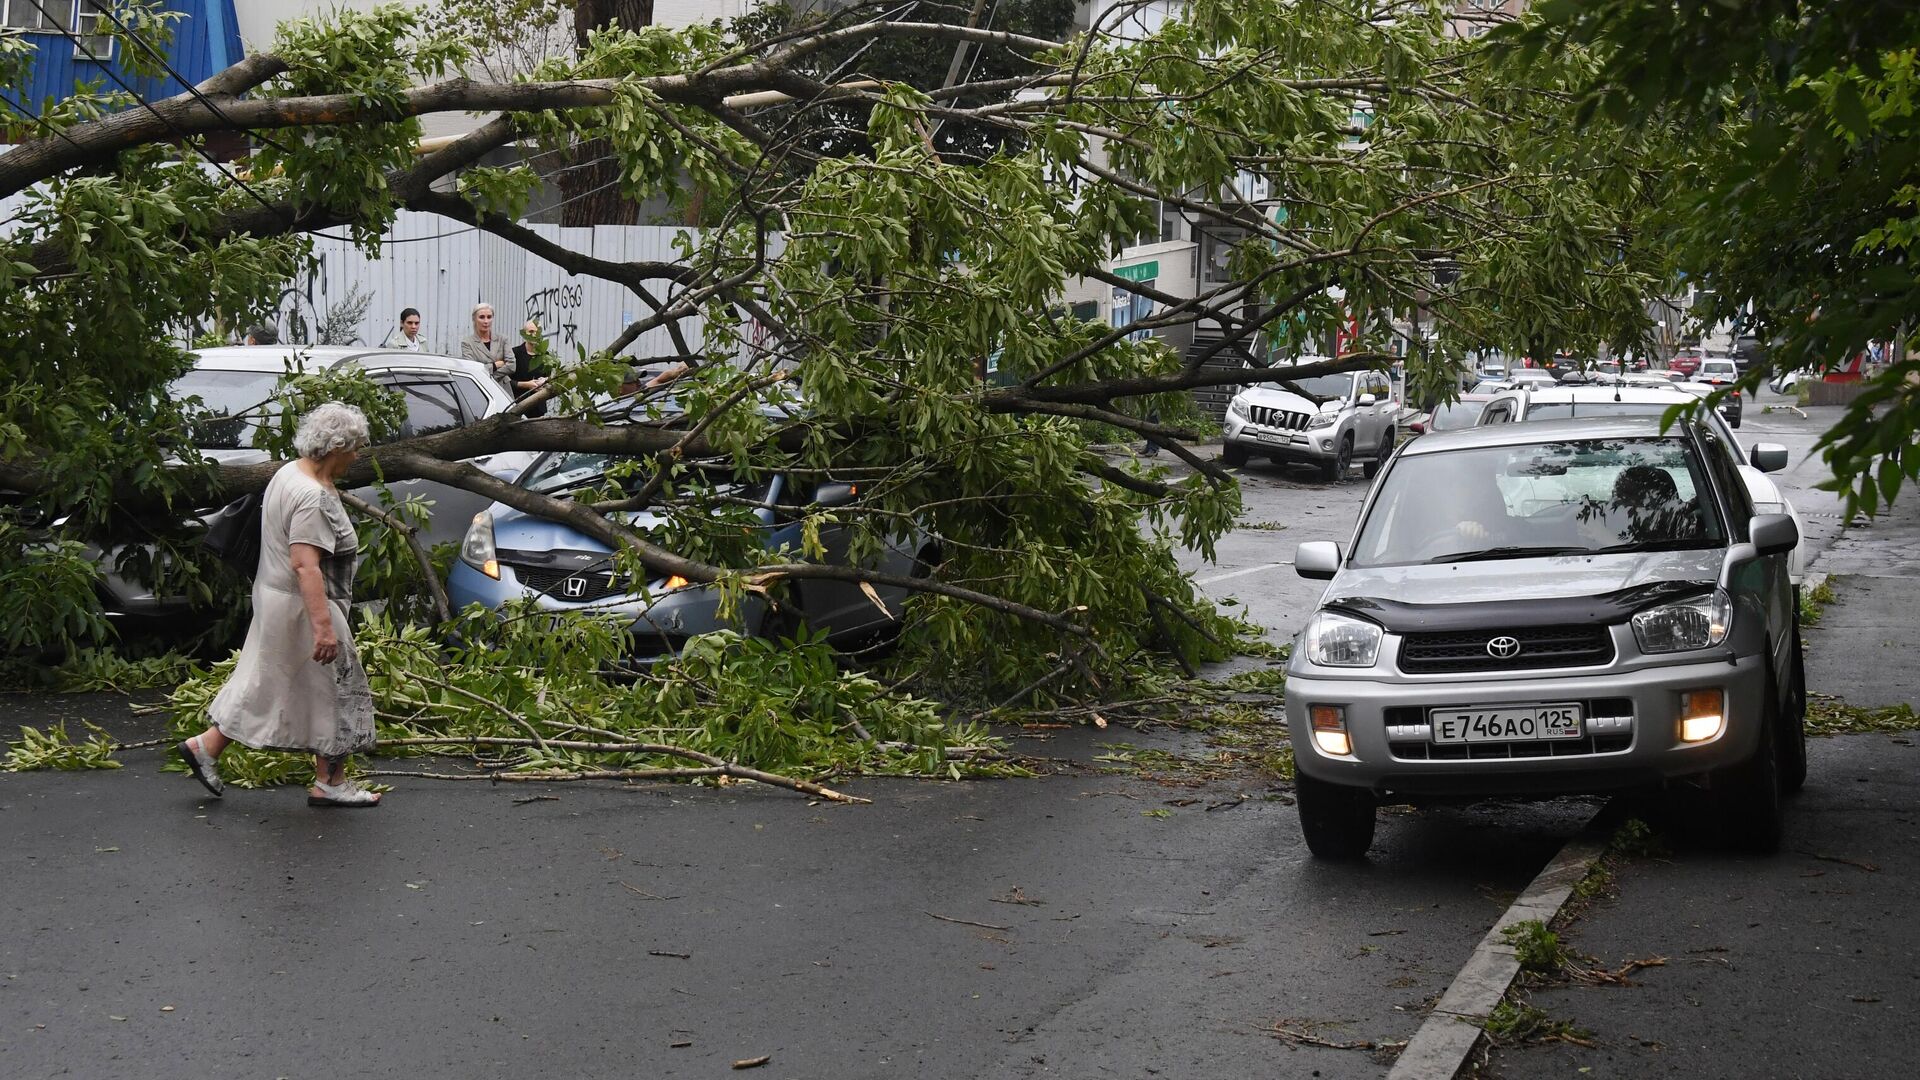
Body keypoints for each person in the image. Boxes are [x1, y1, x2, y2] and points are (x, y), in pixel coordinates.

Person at [177, 402, 381, 808]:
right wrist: (324, 629)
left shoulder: (290, 473)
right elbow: (306, 565)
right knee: (338, 688)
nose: (358, 455)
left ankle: (206, 747)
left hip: (277, 599)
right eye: (355, 447)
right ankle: (331, 782)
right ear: (335, 447)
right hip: (305, 607)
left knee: (267, 683)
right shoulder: (310, 497)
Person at [460, 302, 511, 394]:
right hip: (480, 390)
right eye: (482, 317)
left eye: (489, 317)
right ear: (474, 319)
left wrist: (488, 376)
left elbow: (512, 365)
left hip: (503, 390)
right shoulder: (467, 343)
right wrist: (495, 366)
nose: (486, 321)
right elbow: (472, 369)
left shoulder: (502, 339)